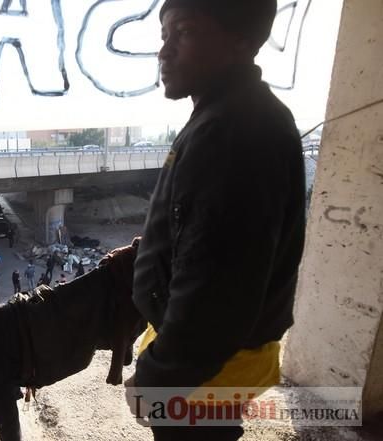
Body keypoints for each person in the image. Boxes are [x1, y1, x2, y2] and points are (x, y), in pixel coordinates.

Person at [121, 2, 306, 440]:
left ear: (241, 38)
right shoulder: (230, 115)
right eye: (164, 35)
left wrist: (157, 377)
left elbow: (218, 293)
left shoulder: (232, 133)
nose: (164, 52)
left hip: (205, 371)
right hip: (214, 362)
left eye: (183, 32)